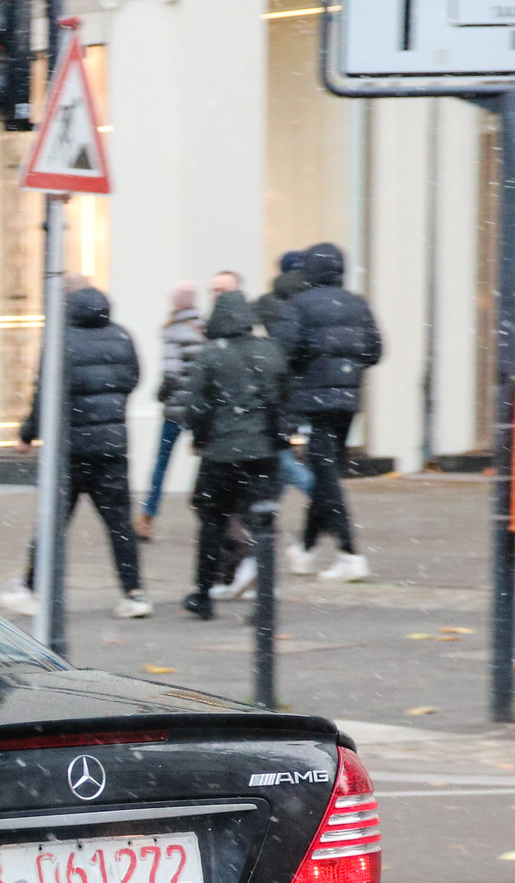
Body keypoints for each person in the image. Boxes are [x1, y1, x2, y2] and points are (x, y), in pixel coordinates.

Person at [4, 284, 149, 620]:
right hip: (112, 447)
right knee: (119, 524)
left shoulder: (60, 341)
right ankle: (135, 593)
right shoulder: (123, 337)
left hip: (70, 451)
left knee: (53, 522)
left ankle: (31, 589)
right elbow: (132, 380)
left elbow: (46, 396)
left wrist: (27, 435)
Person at [167, 290, 289, 620]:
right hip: (263, 453)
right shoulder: (270, 350)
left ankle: (203, 594)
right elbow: (284, 397)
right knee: (262, 524)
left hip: (221, 455)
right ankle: (265, 600)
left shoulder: (211, 355)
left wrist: (201, 437)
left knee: (211, 524)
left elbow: (197, 405)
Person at [269, 241, 382, 581]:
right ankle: (306, 550)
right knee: (325, 473)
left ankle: (350, 553)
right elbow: (375, 350)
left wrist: (309, 367)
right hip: (348, 400)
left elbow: (284, 350)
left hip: (315, 401)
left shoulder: (300, 304)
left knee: (327, 476)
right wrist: (347, 364)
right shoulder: (358, 305)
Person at [136, 280, 209, 540]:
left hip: (176, 407)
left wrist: (161, 394)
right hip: (199, 407)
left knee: (161, 463)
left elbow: (171, 372)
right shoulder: (203, 327)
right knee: (207, 461)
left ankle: (147, 517)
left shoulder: (174, 330)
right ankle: (211, 515)